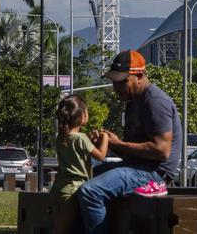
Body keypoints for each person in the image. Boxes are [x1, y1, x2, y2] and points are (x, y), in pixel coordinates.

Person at [77, 50, 182, 233]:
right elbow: (131, 151)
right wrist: (108, 143)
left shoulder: (154, 101)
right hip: (136, 167)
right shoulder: (133, 102)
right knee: (79, 179)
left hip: (154, 174)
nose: (116, 87)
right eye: (114, 82)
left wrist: (116, 144)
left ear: (139, 76)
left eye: (122, 81)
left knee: (90, 191)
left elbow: (161, 150)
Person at [50, 95, 108, 234]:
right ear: (82, 116)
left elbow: (78, 151)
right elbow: (101, 156)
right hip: (73, 190)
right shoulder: (81, 138)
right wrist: (105, 138)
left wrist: (92, 142)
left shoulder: (61, 137)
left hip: (59, 189)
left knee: (60, 226)